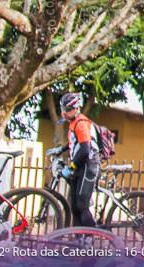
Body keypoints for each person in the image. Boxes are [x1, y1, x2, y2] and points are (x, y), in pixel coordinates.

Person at [56, 93, 100, 227]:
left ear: (76, 108)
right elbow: (75, 142)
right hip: (81, 165)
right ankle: (78, 239)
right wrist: (60, 150)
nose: (64, 113)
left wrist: (72, 166)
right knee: (74, 205)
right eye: (63, 109)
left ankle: (91, 236)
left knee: (82, 205)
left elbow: (85, 149)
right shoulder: (73, 122)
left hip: (88, 166)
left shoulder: (81, 123)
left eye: (68, 110)